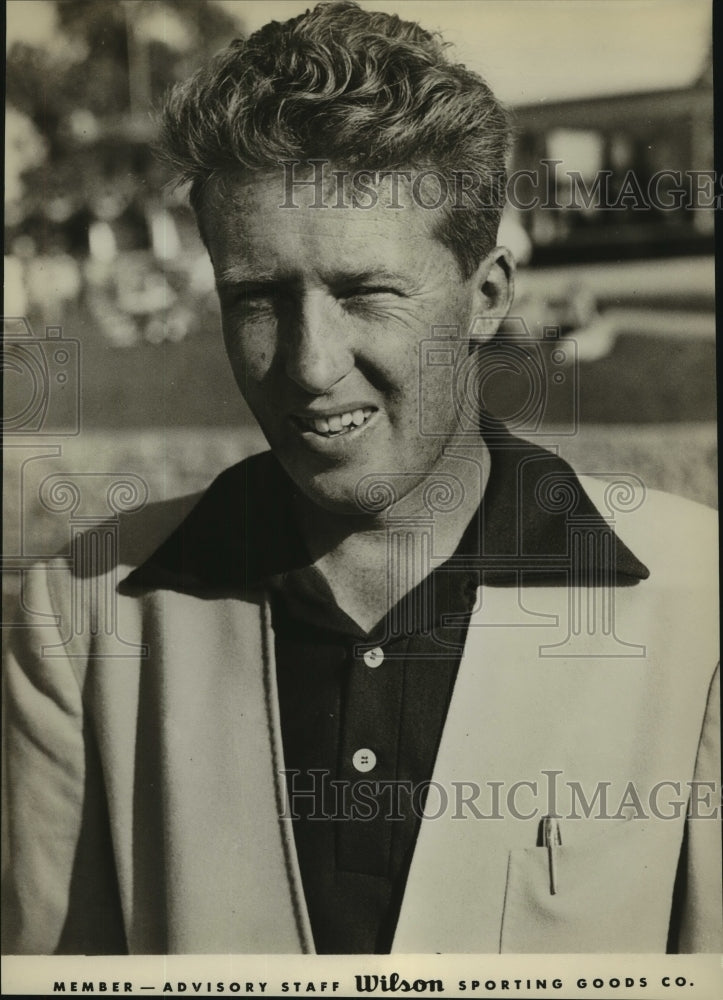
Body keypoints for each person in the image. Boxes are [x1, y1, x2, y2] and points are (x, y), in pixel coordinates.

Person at [2, 0, 719, 957]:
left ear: (487, 296)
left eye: (364, 292)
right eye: (257, 299)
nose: (308, 363)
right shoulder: (81, 623)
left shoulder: (698, 607)